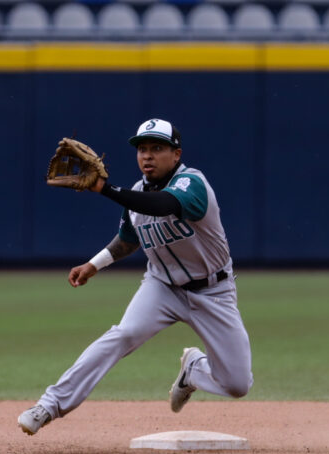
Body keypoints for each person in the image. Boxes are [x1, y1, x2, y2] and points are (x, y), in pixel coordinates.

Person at [18, 118, 253, 435]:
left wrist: (106, 189)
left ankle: (194, 369)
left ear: (177, 154)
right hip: (162, 288)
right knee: (123, 335)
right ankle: (49, 405)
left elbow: (163, 205)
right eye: (142, 149)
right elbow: (129, 238)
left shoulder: (192, 184)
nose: (148, 156)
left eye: (157, 148)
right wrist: (94, 265)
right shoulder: (136, 194)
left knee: (238, 384)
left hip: (213, 291)